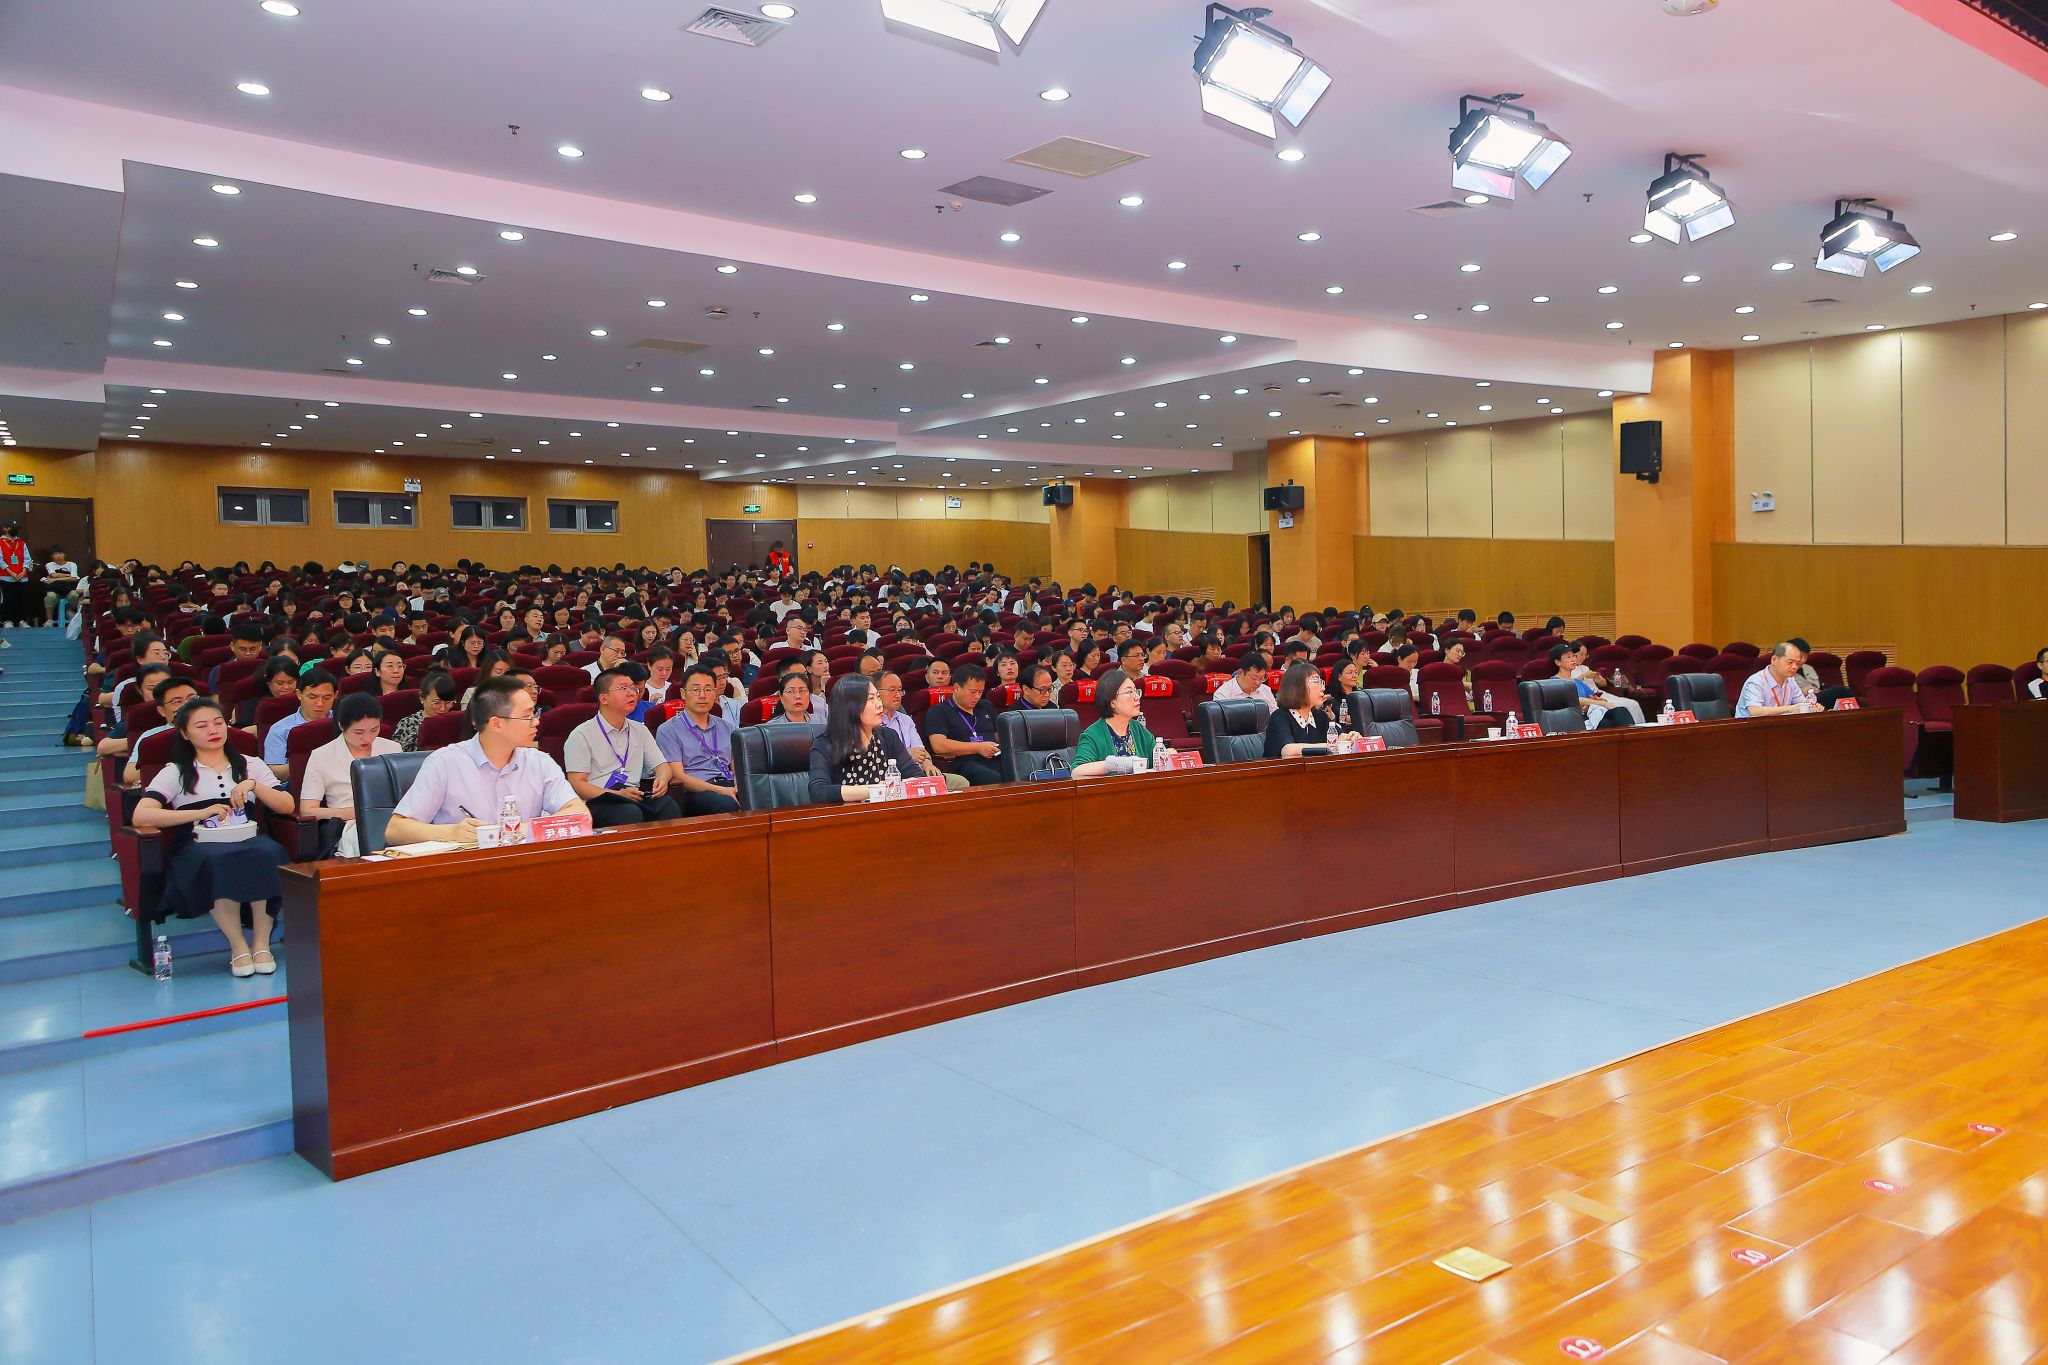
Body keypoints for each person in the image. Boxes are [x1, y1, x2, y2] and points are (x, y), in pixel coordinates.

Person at [131, 698, 295, 977]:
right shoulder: (175, 771)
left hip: (247, 835)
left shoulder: (250, 764)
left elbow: (287, 805)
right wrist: (199, 813)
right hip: (198, 842)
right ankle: (238, 945)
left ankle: (261, 943)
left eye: (218, 723)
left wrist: (253, 785)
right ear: (185, 733)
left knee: (268, 853)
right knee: (216, 860)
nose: (213, 730)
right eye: (202, 726)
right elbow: (141, 815)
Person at [385, 677, 589, 847]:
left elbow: (580, 815)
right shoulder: (445, 763)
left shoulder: (539, 762)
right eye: (527, 716)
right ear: (496, 723)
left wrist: (514, 830)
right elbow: (395, 830)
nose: (536, 721)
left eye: (535, 713)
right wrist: (452, 832)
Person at [564, 668, 681, 828]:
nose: (632, 693)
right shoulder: (581, 735)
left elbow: (662, 766)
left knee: (668, 806)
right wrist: (618, 794)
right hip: (598, 800)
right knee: (629, 812)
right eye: (623, 688)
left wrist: (662, 778)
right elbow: (577, 784)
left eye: (633, 688)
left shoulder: (640, 730)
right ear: (603, 698)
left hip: (632, 796)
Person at [299, 692, 400, 858]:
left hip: (393, 819)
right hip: (350, 824)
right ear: (341, 725)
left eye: (374, 730)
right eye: (359, 732)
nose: (367, 738)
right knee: (373, 840)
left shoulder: (392, 748)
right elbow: (308, 810)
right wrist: (357, 813)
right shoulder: (321, 756)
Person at [807, 675, 914, 804]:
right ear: (850, 706)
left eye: (878, 697)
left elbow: (916, 776)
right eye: (871, 699)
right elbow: (819, 792)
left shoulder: (888, 737)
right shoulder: (824, 745)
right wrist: (876, 789)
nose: (879, 704)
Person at [654, 665, 743, 814]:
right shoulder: (668, 730)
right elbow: (678, 776)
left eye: (708, 689)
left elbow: (737, 767)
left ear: (715, 693)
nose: (702, 695)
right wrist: (722, 790)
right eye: (695, 690)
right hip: (695, 791)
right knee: (727, 804)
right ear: (683, 693)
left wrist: (740, 786)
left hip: (727, 784)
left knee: (765, 796)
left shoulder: (726, 727)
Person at [875, 670, 968, 791]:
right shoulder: (871, 721)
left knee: (960, 782)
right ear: (876, 693)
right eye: (892, 690)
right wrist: (906, 754)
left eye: (900, 690)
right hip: (889, 777)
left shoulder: (906, 720)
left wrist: (927, 763)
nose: (898, 695)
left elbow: (920, 750)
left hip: (916, 773)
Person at [924, 662, 1003, 786]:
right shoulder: (938, 711)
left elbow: (999, 735)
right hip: (964, 761)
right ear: (956, 688)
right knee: (991, 777)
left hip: (994, 757)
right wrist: (978, 747)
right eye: (973, 692)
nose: (977, 697)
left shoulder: (986, 706)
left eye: (980, 692)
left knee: (1019, 770)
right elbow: (939, 745)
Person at [1073, 672, 1159, 775]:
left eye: (1136, 691)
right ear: (1112, 701)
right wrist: (1113, 764)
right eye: (1130, 692)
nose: (1137, 697)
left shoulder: (1138, 728)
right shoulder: (1092, 735)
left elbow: (1157, 758)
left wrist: (1168, 754)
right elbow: (1076, 772)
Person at [1266, 661, 1348, 757]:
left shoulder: (1320, 716)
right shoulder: (1279, 717)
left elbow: (1340, 736)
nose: (1323, 688)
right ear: (1297, 687)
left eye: (1321, 682)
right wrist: (1330, 746)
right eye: (1316, 681)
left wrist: (1349, 737)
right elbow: (1288, 750)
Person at [265, 667, 337, 773]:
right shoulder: (280, 729)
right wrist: (306, 762)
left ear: (335, 695)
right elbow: (274, 771)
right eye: (312, 697)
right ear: (299, 694)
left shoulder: (344, 723)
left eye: (327, 697)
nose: (320, 703)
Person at [1552, 643, 1634, 729]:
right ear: (1558, 662)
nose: (1573, 659)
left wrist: (1598, 700)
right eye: (1568, 657)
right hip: (1573, 718)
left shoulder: (1577, 682)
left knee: (1620, 711)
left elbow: (1596, 697)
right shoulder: (1554, 682)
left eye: (1573, 656)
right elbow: (1574, 700)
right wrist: (1601, 703)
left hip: (1589, 714)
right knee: (1606, 723)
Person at [1736, 642, 1823, 718]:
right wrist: (1790, 709)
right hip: (1749, 728)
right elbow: (1754, 711)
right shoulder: (1756, 681)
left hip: (1778, 727)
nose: (1794, 667)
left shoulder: (1790, 680)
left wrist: (1812, 707)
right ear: (1774, 659)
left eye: (1797, 663)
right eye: (1790, 662)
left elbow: (1801, 704)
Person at [394, 670, 458, 750]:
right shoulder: (407, 724)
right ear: (422, 697)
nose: (443, 708)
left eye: (448, 703)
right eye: (436, 702)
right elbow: (402, 755)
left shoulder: (457, 722)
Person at [0, 521, 32, 627]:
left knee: (22, 599)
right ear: (5, 528)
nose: (15, 530)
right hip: (6, 576)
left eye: (17, 528)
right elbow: (0, 560)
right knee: (7, 599)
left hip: (22, 577)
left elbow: (27, 558)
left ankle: (22, 620)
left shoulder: (21, 542)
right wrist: (11, 573)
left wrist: (24, 570)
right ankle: (7, 620)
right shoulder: (1, 542)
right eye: (12, 528)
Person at [41, 546, 80, 628]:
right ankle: (49, 620)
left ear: (64, 554)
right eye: (55, 554)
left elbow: (74, 578)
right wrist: (68, 575)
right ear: (52, 556)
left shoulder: (72, 564)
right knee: (50, 597)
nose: (58, 556)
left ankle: (69, 610)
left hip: (69, 589)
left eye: (60, 553)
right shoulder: (50, 564)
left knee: (75, 595)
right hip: (55, 589)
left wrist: (55, 579)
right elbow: (53, 575)